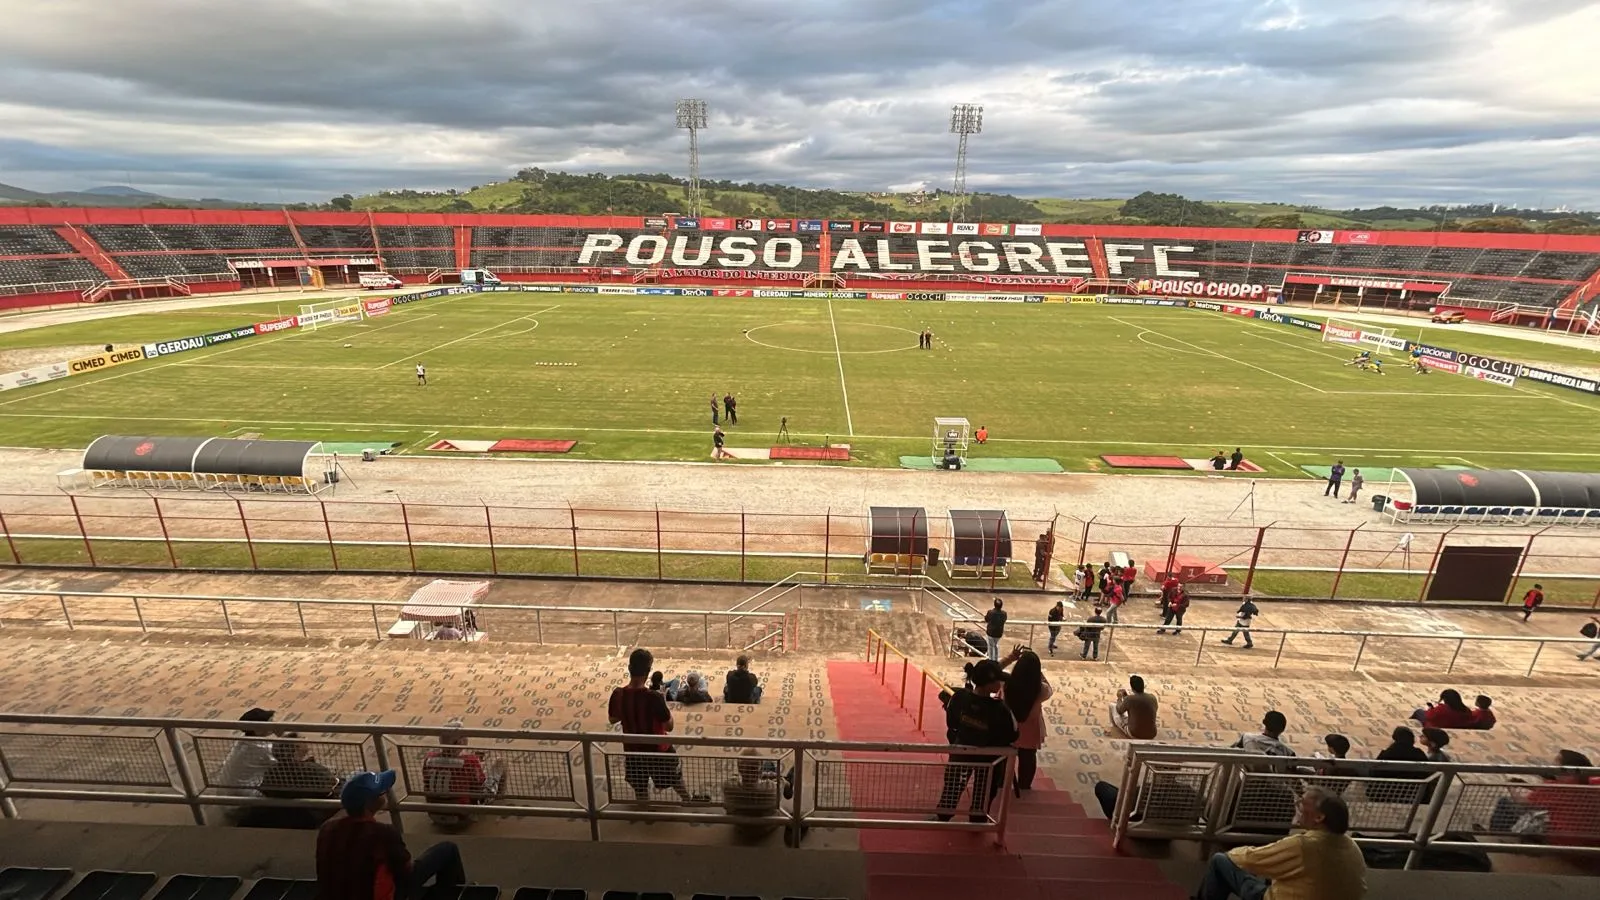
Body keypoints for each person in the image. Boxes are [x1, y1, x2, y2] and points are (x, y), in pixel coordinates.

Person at [1190, 787, 1366, 900]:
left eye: (1302, 803)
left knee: (1220, 860)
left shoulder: (1304, 845)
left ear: (1319, 817)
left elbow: (1249, 859)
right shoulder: (1353, 846)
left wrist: (1233, 853)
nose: (1297, 805)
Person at [317, 770, 467, 900]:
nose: (385, 793)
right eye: (381, 792)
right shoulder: (382, 832)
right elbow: (406, 870)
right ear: (370, 803)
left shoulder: (327, 828)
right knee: (448, 849)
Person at [607, 648, 706, 803]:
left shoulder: (618, 694)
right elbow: (669, 726)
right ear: (648, 671)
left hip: (632, 751)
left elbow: (613, 719)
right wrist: (663, 703)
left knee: (640, 787)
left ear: (629, 668)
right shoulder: (654, 697)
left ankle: (644, 808)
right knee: (674, 777)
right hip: (658, 750)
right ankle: (687, 799)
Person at [933, 658, 1018, 822]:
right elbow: (1013, 734)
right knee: (984, 790)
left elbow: (952, 723)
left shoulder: (959, 698)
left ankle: (943, 815)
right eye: (998, 680)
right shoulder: (1000, 709)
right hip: (990, 758)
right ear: (989, 684)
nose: (1001, 683)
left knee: (953, 785)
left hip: (961, 752)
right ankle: (977, 820)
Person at [1487, 749, 1600, 843]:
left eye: (1557, 761)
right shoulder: (1592, 783)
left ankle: (1498, 839)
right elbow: (1555, 798)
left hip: (1561, 840)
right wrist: (1528, 786)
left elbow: (1522, 803)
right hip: (1592, 842)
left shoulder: (1556, 788)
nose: (1553, 763)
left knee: (1505, 803)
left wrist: (1510, 787)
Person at [421, 721, 506, 828]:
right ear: (460, 741)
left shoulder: (429, 758)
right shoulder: (469, 761)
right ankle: (500, 798)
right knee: (500, 763)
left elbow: (427, 783)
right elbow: (479, 785)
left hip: (434, 814)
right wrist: (479, 767)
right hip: (462, 817)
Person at [248, 735, 341, 830]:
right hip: (311, 816)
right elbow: (331, 789)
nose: (304, 739)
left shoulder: (271, 772)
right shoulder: (312, 769)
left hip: (284, 816)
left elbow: (266, 791)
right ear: (295, 749)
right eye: (301, 739)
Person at [218, 707, 278, 822]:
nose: (274, 725)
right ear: (257, 730)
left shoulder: (244, 740)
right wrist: (283, 735)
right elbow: (283, 764)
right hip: (240, 806)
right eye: (270, 723)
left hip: (225, 798)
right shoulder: (260, 749)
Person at [1003, 649, 1051, 794]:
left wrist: (1010, 658)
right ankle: (1024, 787)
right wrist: (1038, 673)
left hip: (1008, 730)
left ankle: (1001, 785)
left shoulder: (1006, 683)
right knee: (1028, 760)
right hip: (1030, 732)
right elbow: (1050, 689)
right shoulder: (1041, 689)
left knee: (1003, 760)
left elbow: (993, 670)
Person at [1110, 675, 1159, 740]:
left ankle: (1114, 730)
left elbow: (1119, 710)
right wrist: (1126, 697)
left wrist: (1119, 698)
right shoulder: (1152, 697)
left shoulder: (1130, 699)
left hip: (1135, 734)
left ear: (1132, 688)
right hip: (1151, 734)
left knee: (1112, 706)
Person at [1411, 689, 1476, 729]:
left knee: (1419, 712)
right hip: (1455, 726)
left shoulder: (1442, 708)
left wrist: (1430, 709)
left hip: (1437, 726)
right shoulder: (1466, 710)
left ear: (1445, 699)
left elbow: (1429, 716)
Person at [982, 598, 1007, 662]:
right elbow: (1004, 620)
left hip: (991, 633)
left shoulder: (990, 612)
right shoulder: (1004, 613)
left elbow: (986, 619)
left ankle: (991, 660)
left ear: (994, 605)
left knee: (991, 646)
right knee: (995, 645)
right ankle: (995, 659)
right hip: (999, 633)